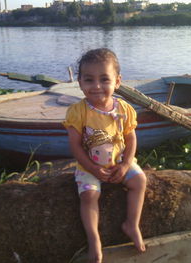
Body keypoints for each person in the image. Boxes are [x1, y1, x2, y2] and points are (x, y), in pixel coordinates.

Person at [63, 48, 147, 263]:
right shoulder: (77, 111)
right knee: (89, 196)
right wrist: (92, 169)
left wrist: (126, 164)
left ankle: (131, 224)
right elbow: (75, 146)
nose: (97, 86)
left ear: (117, 81)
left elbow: (131, 139)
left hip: (119, 162)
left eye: (104, 79)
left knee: (139, 180)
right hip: (89, 166)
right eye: (89, 80)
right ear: (80, 83)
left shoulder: (125, 109)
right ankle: (94, 239)